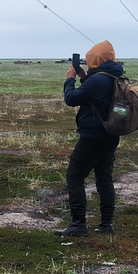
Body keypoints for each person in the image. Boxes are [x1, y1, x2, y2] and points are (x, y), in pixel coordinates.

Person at [56, 40, 122, 237]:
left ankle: (78, 225)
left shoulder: (98, 80)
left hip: (92, 137)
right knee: (104, 179)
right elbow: (97, 97)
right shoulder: (114, 76)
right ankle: (106, 225)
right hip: (110, 136)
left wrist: (70, 79)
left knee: (74, 177)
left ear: (95, 59)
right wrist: (85, 77)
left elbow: (72, 99)